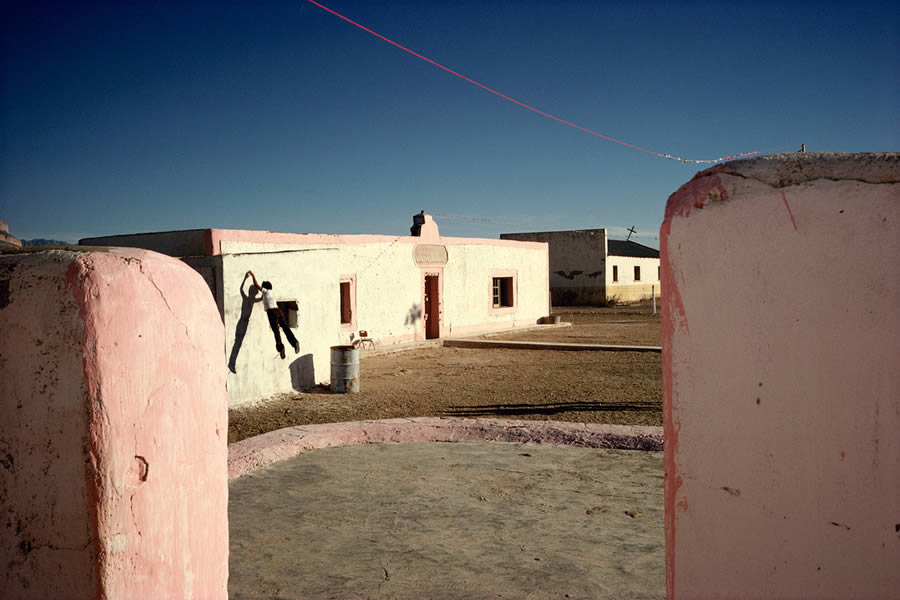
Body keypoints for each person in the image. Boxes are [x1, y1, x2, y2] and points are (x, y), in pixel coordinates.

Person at [248, 271, 299, 359]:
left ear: (264, 287)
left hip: (272, 312)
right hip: (278, 311)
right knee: (286, 328)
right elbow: (262, 298)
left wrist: (252, 275)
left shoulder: (265, 291)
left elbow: (256, 285)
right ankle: (294, 343)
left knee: (276, 331)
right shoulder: (270, 292)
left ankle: (281, 348)